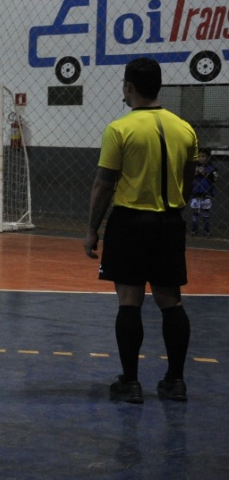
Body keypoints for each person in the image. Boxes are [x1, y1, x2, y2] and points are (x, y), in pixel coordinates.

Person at [84, 57, 197, 404]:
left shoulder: (120, 129)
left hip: (131, 222)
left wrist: (92, 229)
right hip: (169, 223)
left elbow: (104, 185)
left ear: (129, 86)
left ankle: (130, 383)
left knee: (129, 302)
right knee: (171, 302)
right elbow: (187, 183)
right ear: (159, 86)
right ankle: (175, 381)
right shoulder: (185, 128)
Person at [190, 147, 218, 237]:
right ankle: (194, 230)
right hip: (195, 192)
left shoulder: (212, 168)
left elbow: (215, 179)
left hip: (206, 193)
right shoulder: (194, 167)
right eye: (199, 156)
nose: (200, 158)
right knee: (195, 213)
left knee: (205, 213)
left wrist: (205, 173)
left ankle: (206, 231)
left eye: (203, 156)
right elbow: (188, 178)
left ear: (208, 158)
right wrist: (195, 172)